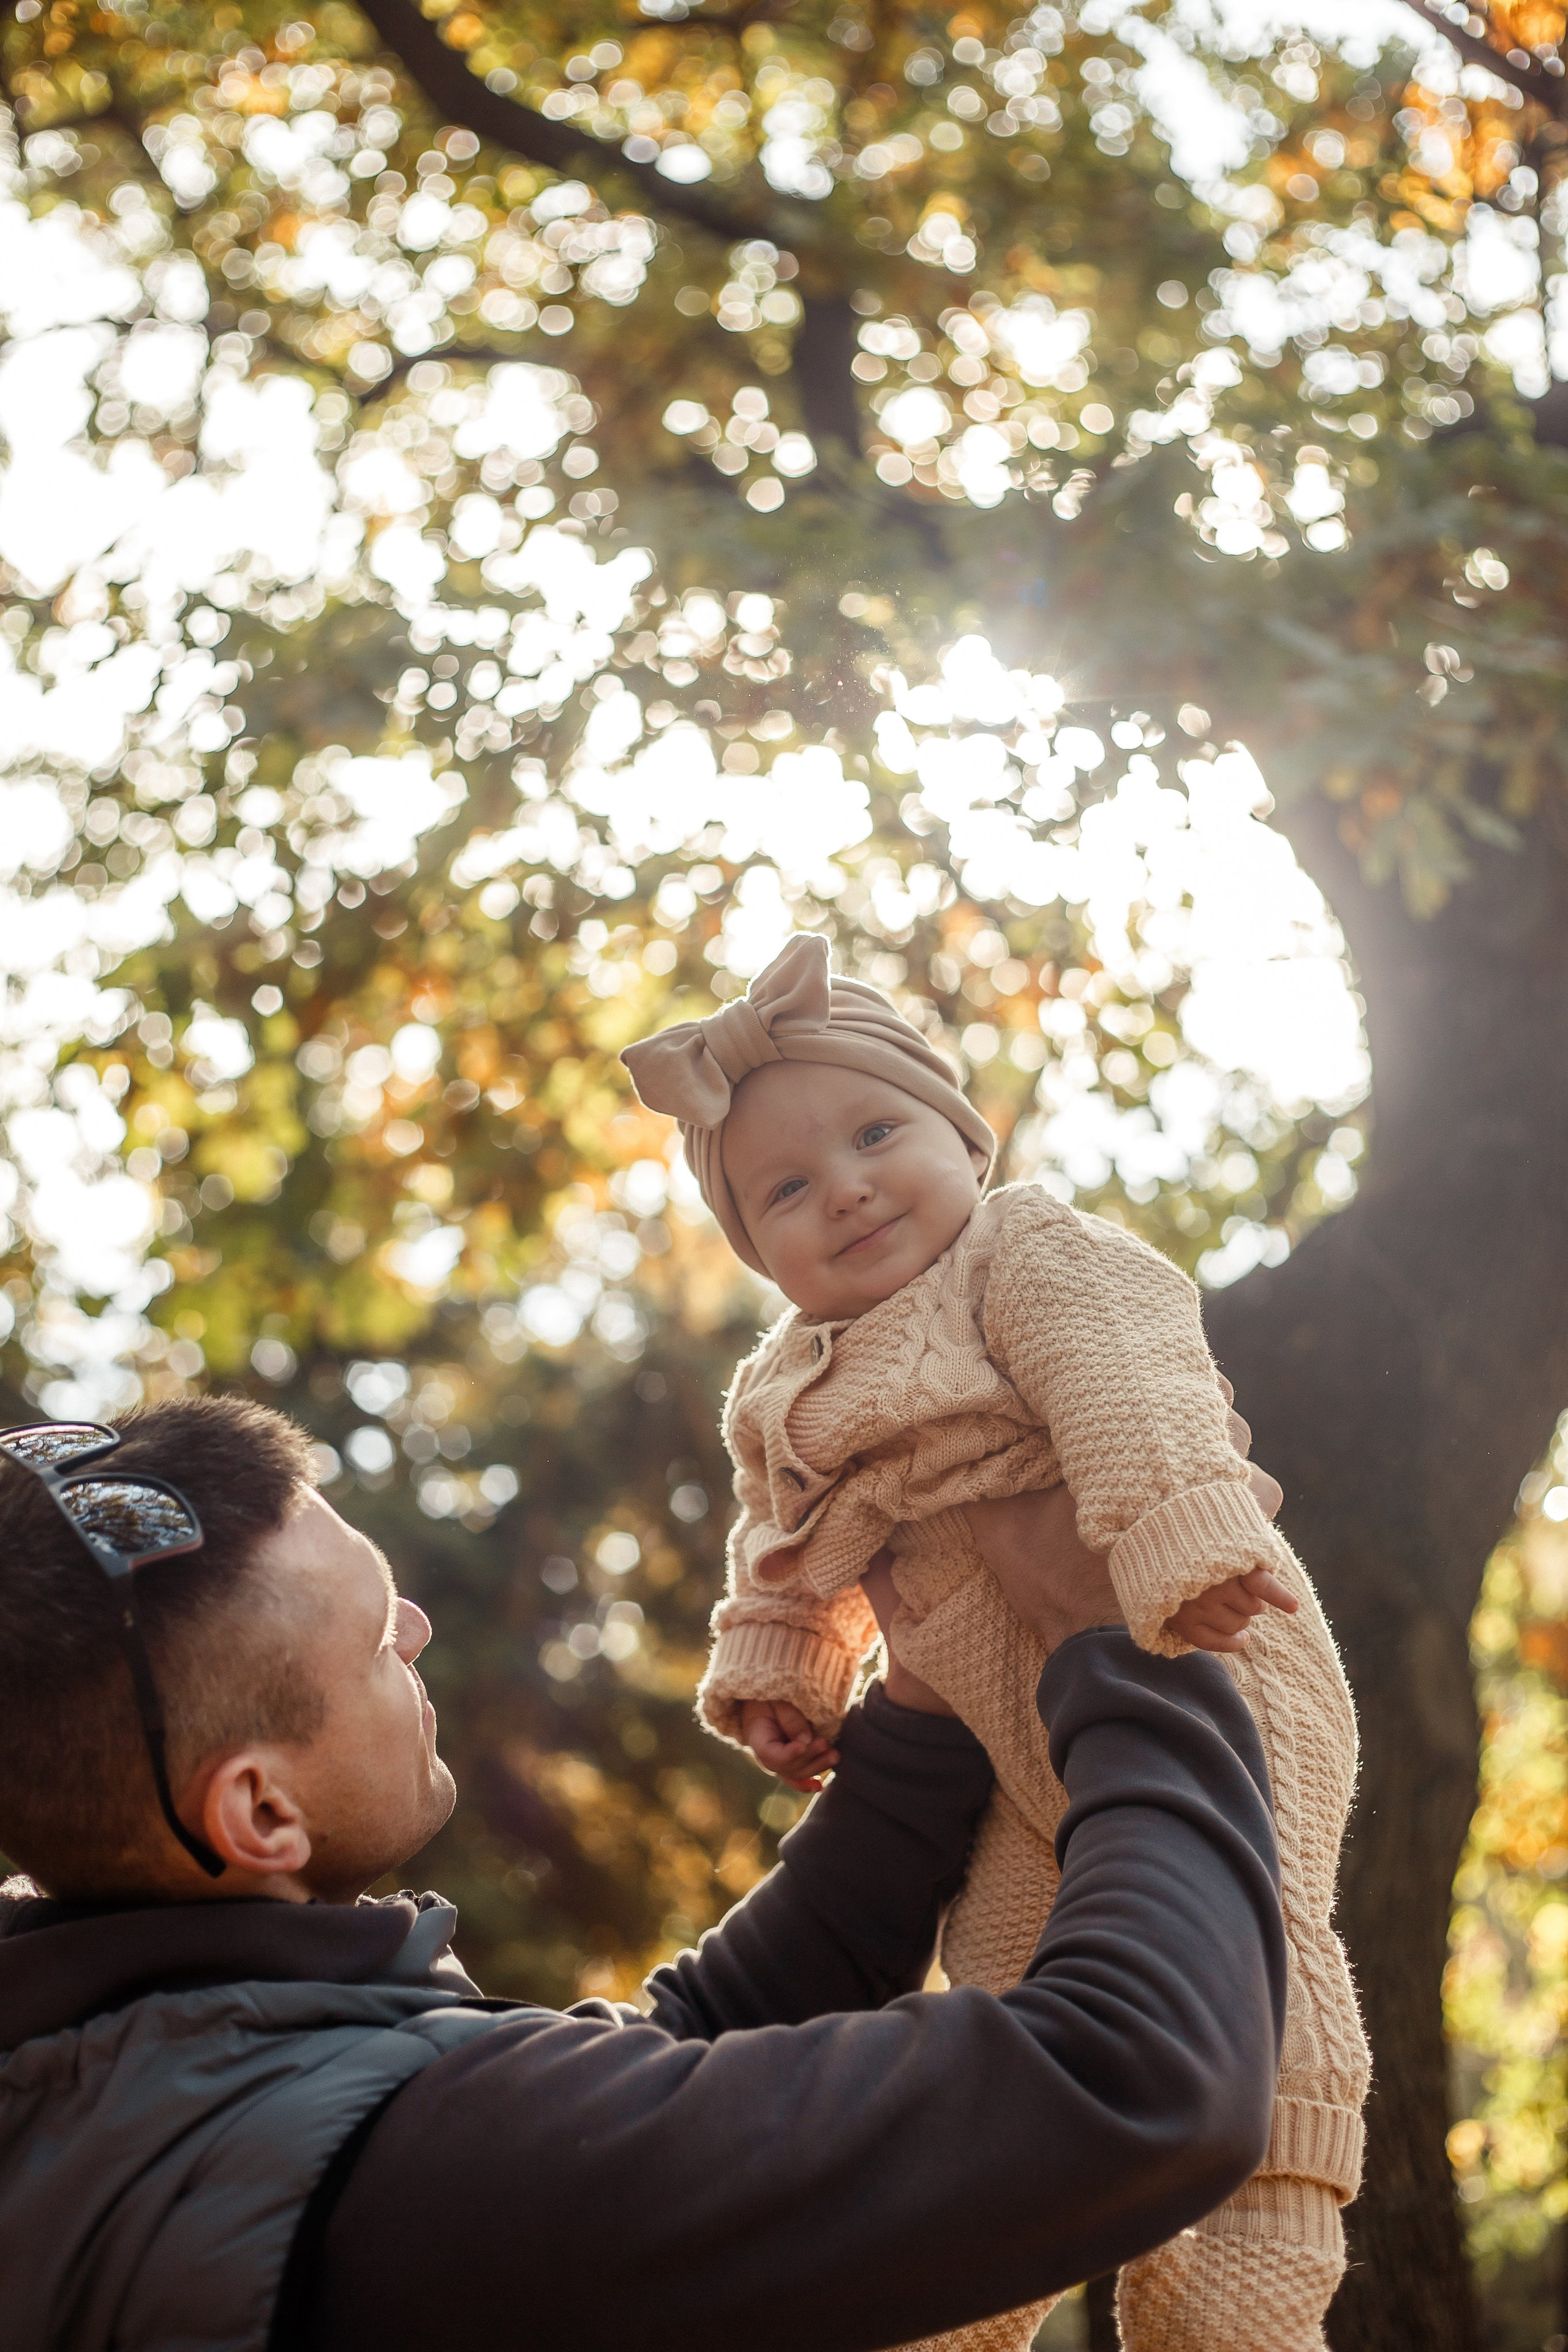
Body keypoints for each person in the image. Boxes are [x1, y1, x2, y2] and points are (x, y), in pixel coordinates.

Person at [0, 1392, 1286, 2352]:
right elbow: (1132, 2079)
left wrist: (915, 1725)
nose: (417, 1627)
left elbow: (666, 2064)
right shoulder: (419, 2176)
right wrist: (1120, 1644)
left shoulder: (110, 2088)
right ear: (260, 1810)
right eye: (370, 1638)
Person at [622, 932, 1368, 2351]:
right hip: (991, 1714)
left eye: (874, 1133)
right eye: (784, 1187)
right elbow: (787, 1544)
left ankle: (1240, 2297)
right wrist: (783, 1671)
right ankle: (950, 2294)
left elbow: (1128, 1393)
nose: (841, 1186)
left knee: (1246, 1940)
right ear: (754, 1251)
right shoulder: (783, 1385)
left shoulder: (1028, 1253)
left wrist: (1175, 1548)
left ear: (965, 1134)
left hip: (1191, 1652)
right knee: (1015, 1996)